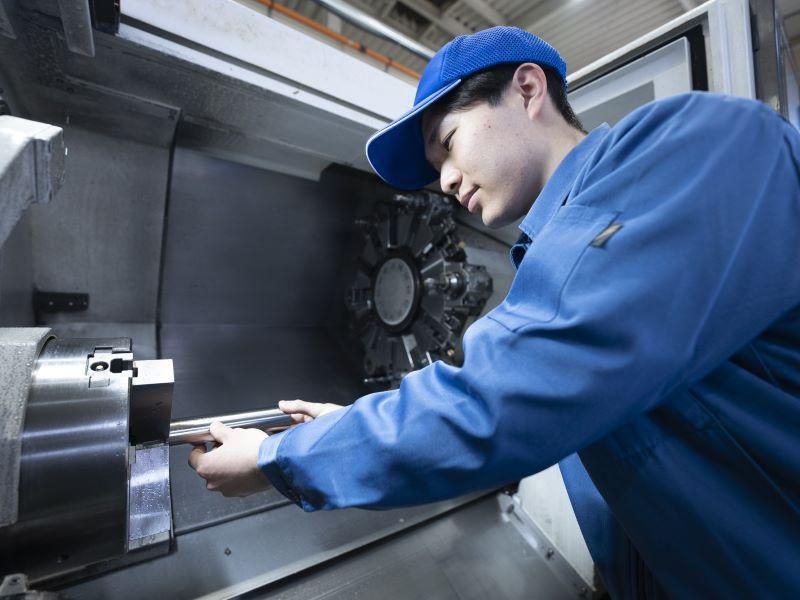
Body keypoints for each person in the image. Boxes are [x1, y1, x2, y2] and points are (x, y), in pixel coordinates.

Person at [188, 26, 800, 597]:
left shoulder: (692, 147)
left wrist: (279, 458)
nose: (446, 181)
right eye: (436, 170)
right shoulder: (554, 263)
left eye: (449, 144)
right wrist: (345, 427)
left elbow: (499, 398)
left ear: (527, 89)